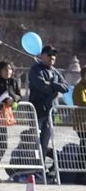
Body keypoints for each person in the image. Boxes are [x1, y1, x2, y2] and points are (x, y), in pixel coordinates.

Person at [28, 46, 69, 174]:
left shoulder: (56, 72)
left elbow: (66, 87)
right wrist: (55, 87)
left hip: (51, 111)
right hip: (38, 110)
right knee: (35, 141)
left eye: (54, 55)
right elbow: (41, 85)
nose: (52, 57)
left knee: (44, 141)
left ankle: (42, 168)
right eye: (49, 54)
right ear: (42, 55)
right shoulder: (35, 69)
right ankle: (35, 167)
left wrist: (52, 85)